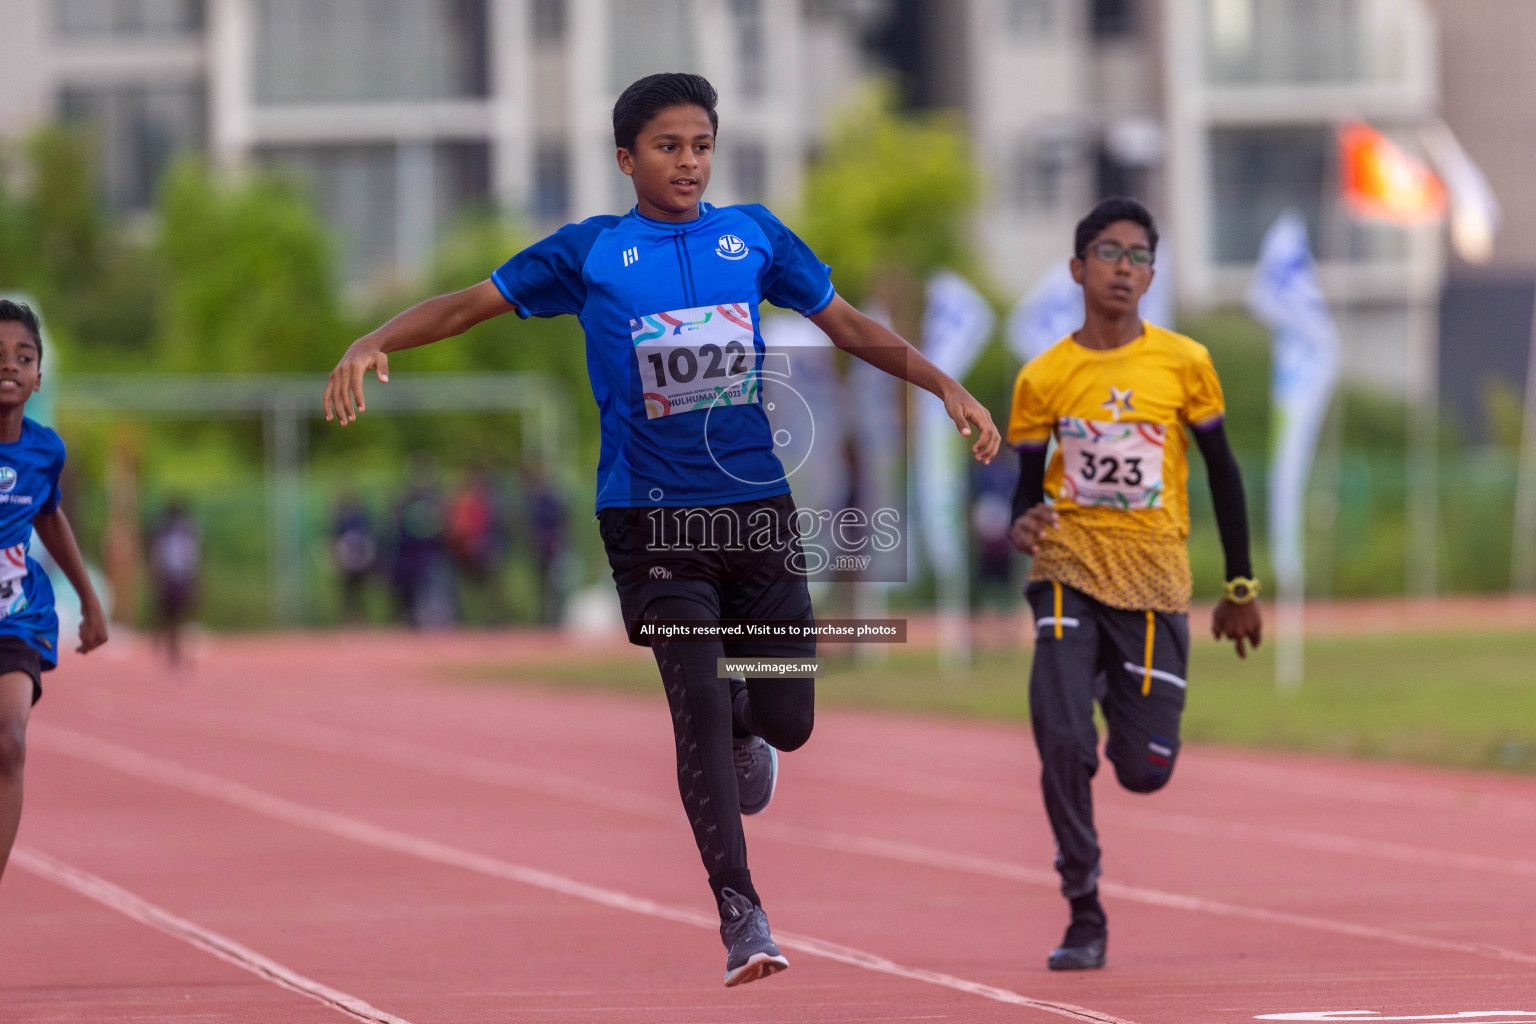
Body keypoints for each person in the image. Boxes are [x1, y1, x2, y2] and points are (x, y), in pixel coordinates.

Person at [323, 73, 1000, 986]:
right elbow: (465, 305)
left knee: (787, 719)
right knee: (698, 696)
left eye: (701, 145)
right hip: (650, 520)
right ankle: (742, 915)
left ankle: (750, 728)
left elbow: (846, 326)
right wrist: (374, 340)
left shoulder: (754, 236)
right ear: (624, 159)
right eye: (668, 147)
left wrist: (944, 384)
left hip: (757, 511)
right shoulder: (592, 253)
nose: (688, 162)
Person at [1006, 198, 1262, 971]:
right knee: (1060, 738)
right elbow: (1024, 492)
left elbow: (1222, 472)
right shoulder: (1043, 376)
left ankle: (1123, 712)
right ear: (1078, 268)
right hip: (1069, 565)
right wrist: (1022, 522)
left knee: (1145, 772)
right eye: (1109, 253)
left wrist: (1241, 584)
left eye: (1140, 256)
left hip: (1153, 575)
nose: (1125, 267)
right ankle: (1084, 908)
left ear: (1153, 274)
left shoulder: (1186, 363)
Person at [0, 299, 109, 885]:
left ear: (39, 376)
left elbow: (49, 516)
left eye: (24, 356)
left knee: (9, 741)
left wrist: (89, 602)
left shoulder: (45, 451)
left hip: (14, 616)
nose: (10, 367)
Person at [146, 499, 201, 664]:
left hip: (176, 577)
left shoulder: (186, 531)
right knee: (170, 614)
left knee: (173, 615)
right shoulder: (171, 531)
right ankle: (169, 646)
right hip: (175, 576)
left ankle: (172, 647)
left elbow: (192, 557)